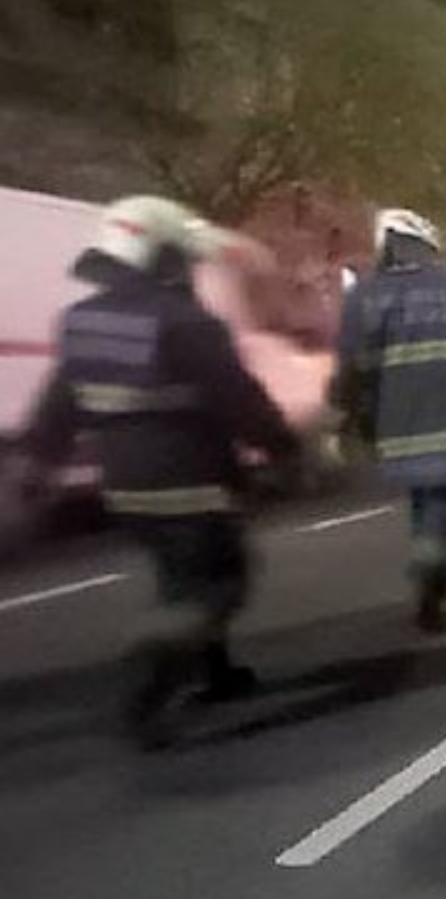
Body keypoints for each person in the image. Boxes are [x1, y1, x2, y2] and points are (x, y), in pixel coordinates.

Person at [17, 195, 301, 743]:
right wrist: (283, 451)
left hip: (124, 488)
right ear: (166, 256)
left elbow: (60, 405)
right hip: (194, 479)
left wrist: (39, 464)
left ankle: (216, 674)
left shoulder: (81, 322)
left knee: (178, 573)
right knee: (219, 581)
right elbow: (240, 400)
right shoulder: (187, 321)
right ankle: (154, 670)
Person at [330, 209, 446, 632]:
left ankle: (430, 562)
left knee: (426, 496)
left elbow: (348, 366)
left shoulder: (363, 296)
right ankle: (433, 565)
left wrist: (343, 419)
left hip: (395, 431)